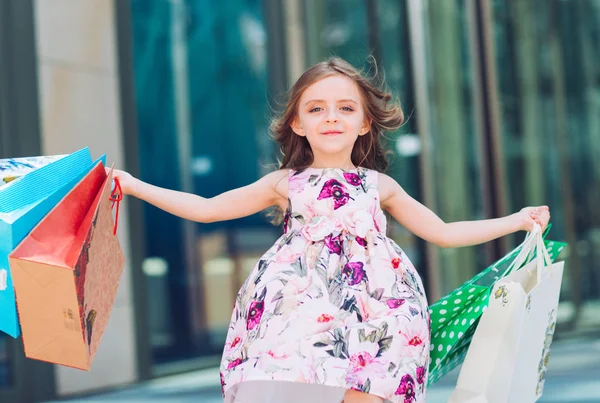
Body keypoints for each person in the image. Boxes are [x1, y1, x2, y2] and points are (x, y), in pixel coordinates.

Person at [112, 57, 550, 403]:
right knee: (305, 384)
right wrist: (133, 185)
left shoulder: (381, 186)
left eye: (345, 108)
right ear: (298, 124)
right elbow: (207, 209)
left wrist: (517, 219)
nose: (331, 117)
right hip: (303, 313)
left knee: (369, 393)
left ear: (365, 123)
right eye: (316, 109)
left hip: (382, 312)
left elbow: (444, 231)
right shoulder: (285, 183)